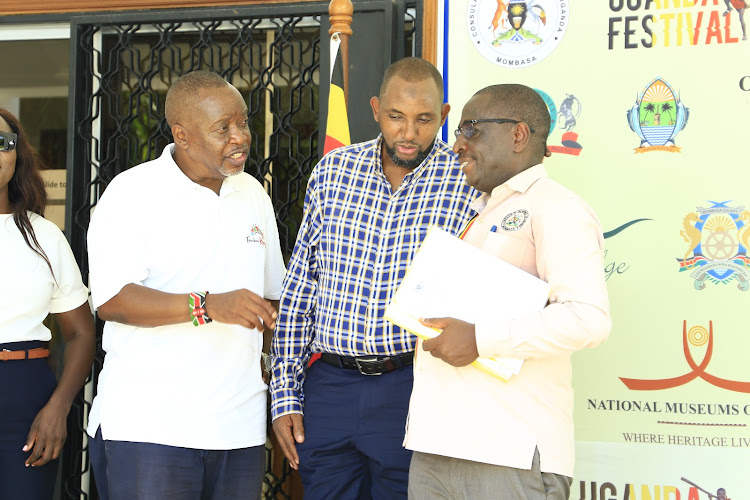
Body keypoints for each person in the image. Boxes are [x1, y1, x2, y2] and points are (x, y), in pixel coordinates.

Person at [270, 57, 477, 499]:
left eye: (424, 120)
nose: (408, 133)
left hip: (413, 386)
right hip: (329, 387)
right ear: (376, 109)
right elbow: (301, 286)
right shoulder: (332, 172)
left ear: (443, 116)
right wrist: (285, 395)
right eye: (396, 117)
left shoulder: (467, 183)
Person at [404, 84, 611, 500]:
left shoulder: (557, 208)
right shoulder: (479, 211)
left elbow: (588, 318)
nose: (458, 145)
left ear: (518, 135)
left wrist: (480, 338)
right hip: (436, 447)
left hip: (509, 453)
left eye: (471, 130)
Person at [86, 70, 286, 500]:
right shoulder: (132, 193)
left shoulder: (252, 193)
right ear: (183, 135)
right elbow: (112, 300)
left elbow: (272, 297)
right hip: (152, 427)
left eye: (243, 122)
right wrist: (208, 306)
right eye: (223, 128)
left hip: (239, 427)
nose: (240, 137)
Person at [0, 108, 95, 499]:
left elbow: (81, 332)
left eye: (3, 143)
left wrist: (58, 408)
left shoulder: (44, 237)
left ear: (16, 154)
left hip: (25, 398)